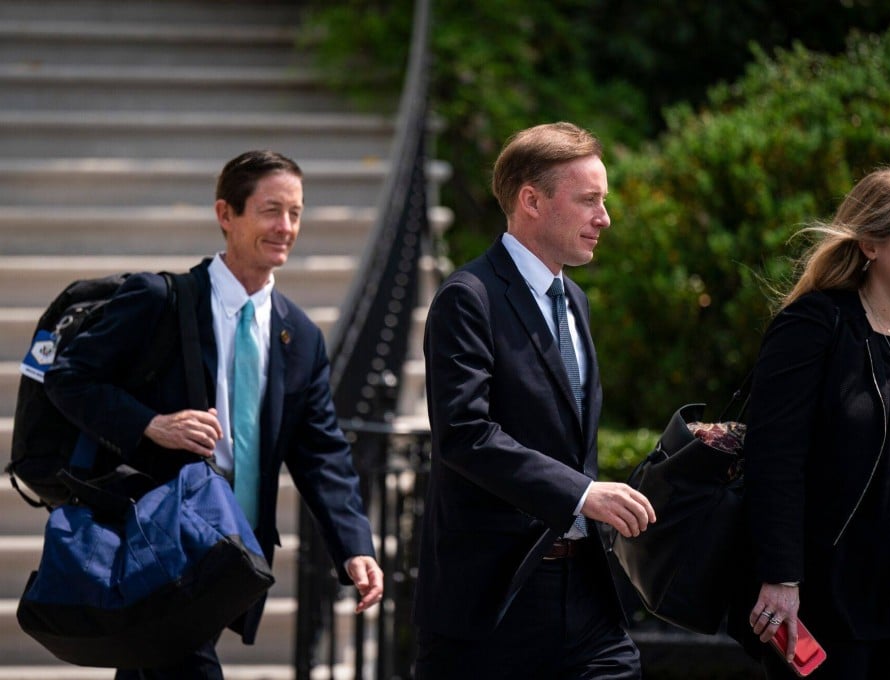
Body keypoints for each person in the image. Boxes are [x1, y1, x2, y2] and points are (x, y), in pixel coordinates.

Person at [45, 150, 384, 679]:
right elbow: (68, 378)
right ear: (226, 214)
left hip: (233, 551)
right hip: (162, 539)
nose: (286, 227)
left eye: (296, 212)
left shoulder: (300, 335)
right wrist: (149, 424)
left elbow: (322, 453)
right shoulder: (159, 300)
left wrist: (354, 546)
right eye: (271, 210)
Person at [412, 122, 657, 679]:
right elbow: (464, 433)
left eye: (604, 201)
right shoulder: (467, 298)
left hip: (586, 598)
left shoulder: (575, 299)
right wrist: (581, 493)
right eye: (589, 200)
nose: (605, 217)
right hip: (495, 601)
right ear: (531, 201)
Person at [741, 168, 890, 679]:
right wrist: (781, 577)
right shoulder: (813, 327)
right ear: (871, 244)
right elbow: (774, 460)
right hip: (825, 591)